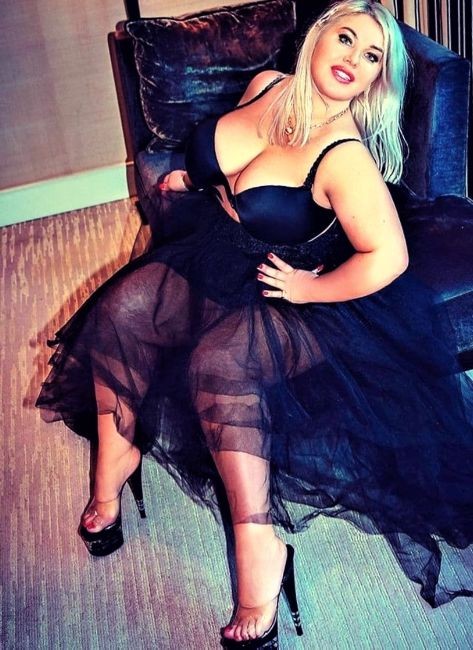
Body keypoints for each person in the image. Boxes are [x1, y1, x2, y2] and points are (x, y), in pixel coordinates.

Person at [36, 0, 473, 647]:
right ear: (318, 38)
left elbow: (388, 257)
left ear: (378, 80)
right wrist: (192, 177)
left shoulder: (344, 156)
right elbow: (232, 165)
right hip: (218, 249)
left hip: (296, 290)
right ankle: (115, 458)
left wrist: (311, 287)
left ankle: (259, 544)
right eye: (346, 38)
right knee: (121, 312)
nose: (352, 59)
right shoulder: (267, 86)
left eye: (371, 56)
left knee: (220, 368)